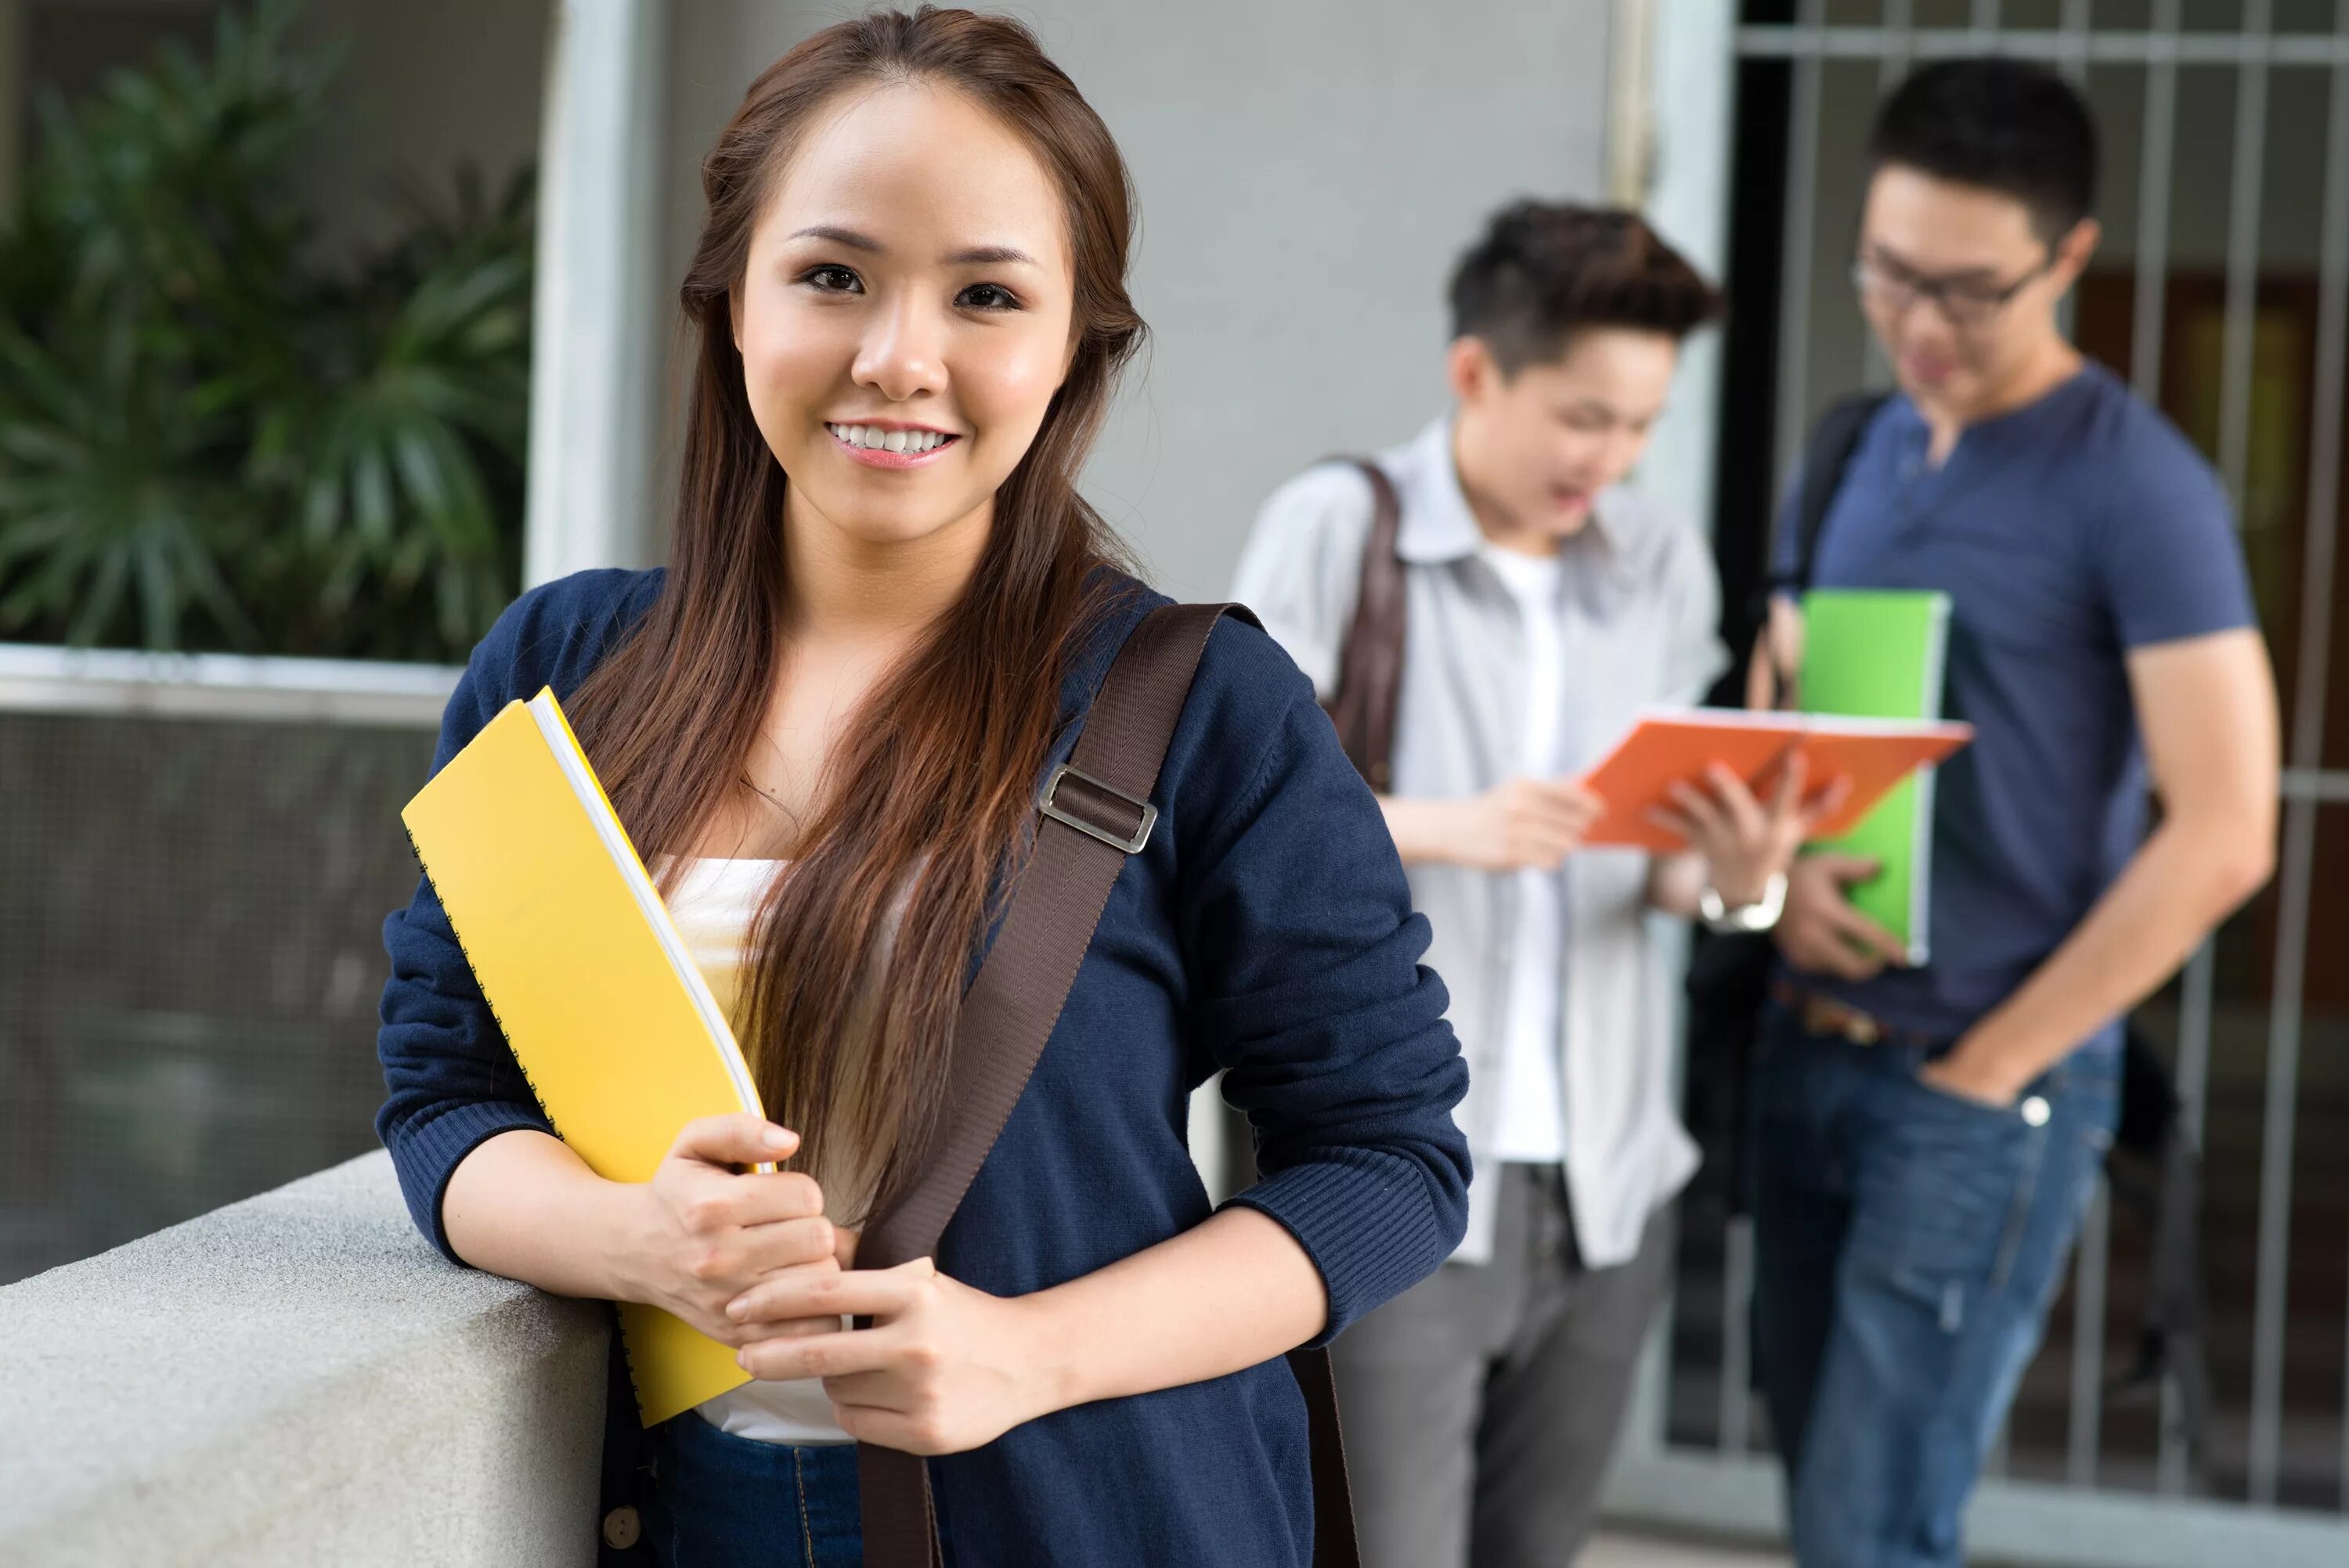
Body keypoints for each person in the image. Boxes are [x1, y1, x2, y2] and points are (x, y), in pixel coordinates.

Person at [374, 11, 1470, 1566]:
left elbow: (1388, 1162)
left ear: (1074, 338)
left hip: (1081, 1512)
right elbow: (448, 1096)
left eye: (986, 295)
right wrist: (635, 1238)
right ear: (730, 302)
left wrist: (1036, 1353)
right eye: (834, 276)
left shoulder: (1204, 706)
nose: (901, 356)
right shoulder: (557, 673)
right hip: (677, 1518)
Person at [1234, 201, 1835, 1568]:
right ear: (1473, 374)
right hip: (1403, 1163)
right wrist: (1457, 824)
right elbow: (1229, 829)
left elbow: (1671, 878)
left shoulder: (1662, 564)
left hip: (1613, 1183)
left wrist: (1741, 884)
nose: (1609, 460)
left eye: (1638, 425)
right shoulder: (1339, 528)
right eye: (1582, 417)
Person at [1748, 58, 2279, 1568]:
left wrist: (1990, 1069)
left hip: (1981, 1089)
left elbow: (2232, 829)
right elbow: (1794, 741)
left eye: (1969, 293)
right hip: (1807, 1047)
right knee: (1823, 1515)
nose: (1921, 327)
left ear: (2069, 261)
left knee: (1871, 1537)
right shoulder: (1856, 449)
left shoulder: (2140, 490)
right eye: (1890, 274)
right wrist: (1770, 888)